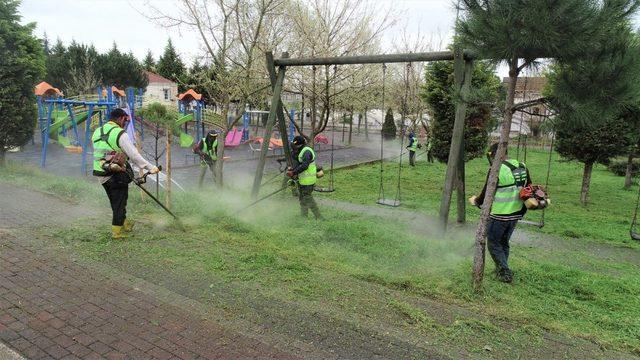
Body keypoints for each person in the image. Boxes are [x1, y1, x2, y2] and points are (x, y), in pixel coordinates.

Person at [92, 108, 159, 239]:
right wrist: (150, 168)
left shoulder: (97, 132)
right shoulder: (120, 134)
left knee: (115, 201)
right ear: (121, 118)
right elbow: (134, 155)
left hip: (101, 173)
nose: (125, 124)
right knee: (119, 203)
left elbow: (103, 152)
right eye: (125, 120)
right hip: (114, 174)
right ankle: (116, 233)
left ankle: (125, 223)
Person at [469, 143, 531, 283]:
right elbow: (529, 188)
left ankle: (505, 272)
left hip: (500, 214)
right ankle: (502, 268)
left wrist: (476, 201)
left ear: (496, 155)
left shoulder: (496, 169)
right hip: (516, 213)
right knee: (504, 242)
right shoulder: (522, 166)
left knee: (493, 243)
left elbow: (487, 192)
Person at [287, 136, 323, 219]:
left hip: (308, 180)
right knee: (302, 199)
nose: (294, 147)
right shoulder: (301, 150)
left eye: (296, 145)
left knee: (308, 198)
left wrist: (293, 172)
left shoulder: (306, 151)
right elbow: (300, 163)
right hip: (302, 179)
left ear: (300, 144)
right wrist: (293, 169)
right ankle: (303, 217)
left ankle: (319, 217)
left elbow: (304, 166)